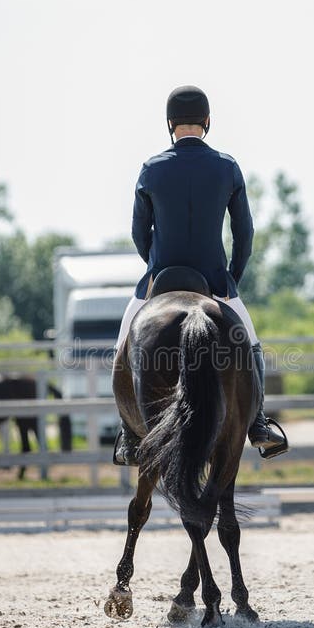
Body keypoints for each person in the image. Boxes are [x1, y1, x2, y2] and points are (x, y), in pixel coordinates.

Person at [114, 84, 287, 465]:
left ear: (169, 124)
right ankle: (258, 424)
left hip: (159, 280)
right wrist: (231, 279)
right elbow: (245, 234)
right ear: (207, 122)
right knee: (251, 346)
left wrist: (156, 267)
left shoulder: (151, 169)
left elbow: (138, 233)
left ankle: (128, 434)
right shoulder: (227, 167)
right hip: (214, 282)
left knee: (125, 343)